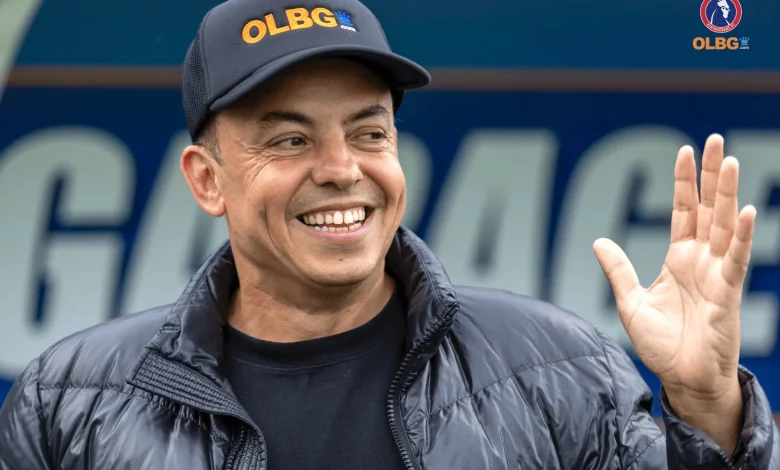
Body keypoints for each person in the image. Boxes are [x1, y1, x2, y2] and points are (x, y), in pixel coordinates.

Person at [0, 0, 778, 468]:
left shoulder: (559, 370)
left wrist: (708, 406)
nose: (343, 170)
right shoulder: (72, 403)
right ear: (207, 179)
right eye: (290, 140)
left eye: (369, 133)